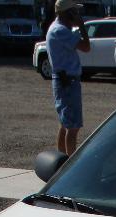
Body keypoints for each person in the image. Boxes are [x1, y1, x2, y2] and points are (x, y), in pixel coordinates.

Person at [46, 0, 91, 155]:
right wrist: (82, 25)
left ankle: (61, 160)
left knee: (65, 124)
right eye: (75, 12)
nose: (77, 15)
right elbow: (86, 47)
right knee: (73, 126)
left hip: (63, 79)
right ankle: (69, 164)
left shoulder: (56, 28)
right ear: (68, 13)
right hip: (68, 81)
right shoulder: (60, 31)